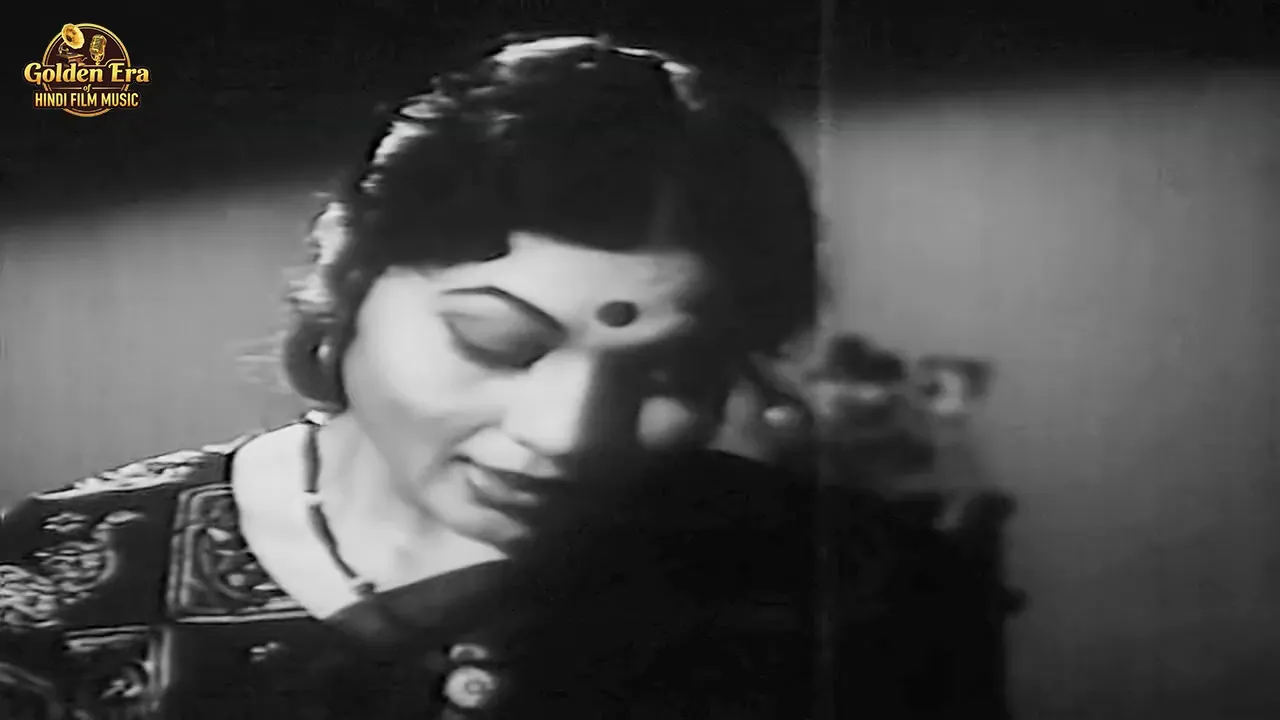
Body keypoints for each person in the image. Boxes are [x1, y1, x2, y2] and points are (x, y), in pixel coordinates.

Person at [0, 34, 989, 719]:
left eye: (672, 371)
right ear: (346, 281)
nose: (569, 434)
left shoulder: (861, 589)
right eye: (496, 343)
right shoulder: (63, 581)